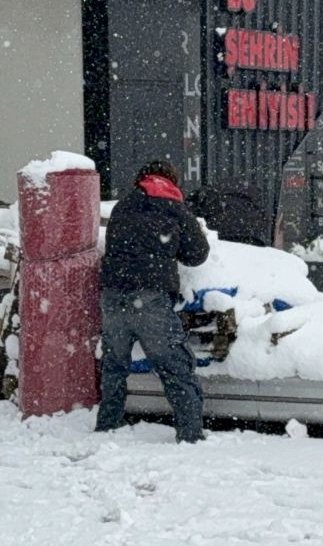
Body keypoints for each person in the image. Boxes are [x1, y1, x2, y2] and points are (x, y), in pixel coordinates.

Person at [96, 160, 211, 443]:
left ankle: (107, 426)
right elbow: (197, 255)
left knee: (113, 366)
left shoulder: (123, 206)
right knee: (175, 366)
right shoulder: (174, 208)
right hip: (149, 298)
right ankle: (190, 434)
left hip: (112, 296)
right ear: (172, 182)